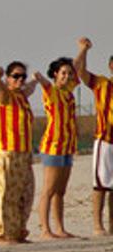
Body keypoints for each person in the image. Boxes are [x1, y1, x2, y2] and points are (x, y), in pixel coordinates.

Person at [0, 62, 38, 244]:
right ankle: (1, 233)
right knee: (5, 193)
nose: (20, 80)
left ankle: (17, 231)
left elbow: (31, 87)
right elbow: (1, 89)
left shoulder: (22, 97)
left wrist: (35, 79)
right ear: (8, 78)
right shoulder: (5, 96)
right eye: (15, 76)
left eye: (22, 77)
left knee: (25, 193)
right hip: (7, 151)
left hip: (24, 152)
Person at [35, 56, 79, 239]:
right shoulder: (51, 91)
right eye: (63, 73)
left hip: (68, 146)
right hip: (52, 145)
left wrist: (82, 50)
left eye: (69, 73)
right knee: (49, 189)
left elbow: (77, 68)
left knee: (61, 191)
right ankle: (45, 229)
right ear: (55, 74)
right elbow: (44, 82)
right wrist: (37, 77)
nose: (67, 76)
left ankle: (60, 228)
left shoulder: (69, 93)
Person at [75, 37, 113, 236]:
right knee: (101, 184)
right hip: (105, 140)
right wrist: (84, 50)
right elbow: (79, 71)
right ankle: (98, 225)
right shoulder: (102, 83)